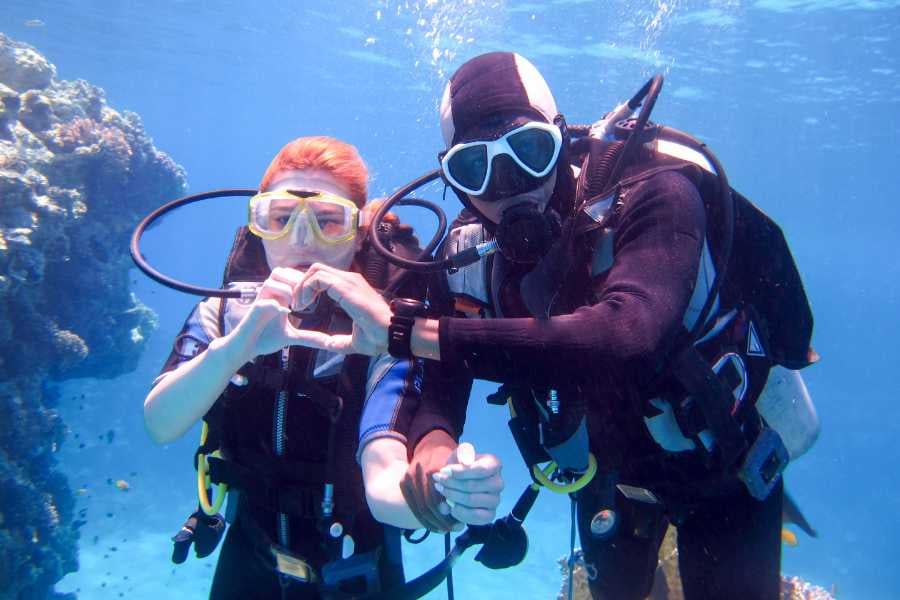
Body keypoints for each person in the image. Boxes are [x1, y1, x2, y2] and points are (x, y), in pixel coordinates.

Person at [287, 53, 817, 600]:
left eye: (528, 152)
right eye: (476, 168)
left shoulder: (655, 192)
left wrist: (406, 330)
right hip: (604, 479)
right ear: (454, 177)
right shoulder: (470, 258)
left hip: (722, 472)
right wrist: (434, 450)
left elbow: (627, 335)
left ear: (561, 140)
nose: (508, 185)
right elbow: (443, 386)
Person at [142, 136, 504, 599]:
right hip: (248, 561)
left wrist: (441, 497)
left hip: (356, 576)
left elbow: (385, 478)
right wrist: (235, 349)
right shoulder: (222, 315)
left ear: (357, 234)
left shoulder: (380, 331)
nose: (300, 240)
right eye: (281, 218)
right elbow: (160, 423)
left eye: (328, 222)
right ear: (258, 225)